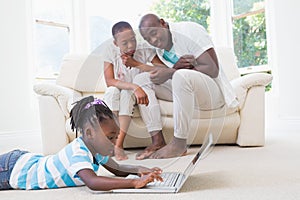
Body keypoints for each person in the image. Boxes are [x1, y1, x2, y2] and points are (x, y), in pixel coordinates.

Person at [132, 14, 238, 159]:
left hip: (211, 94)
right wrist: (171, 71)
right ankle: (158, 141)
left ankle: (179, 143)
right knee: (141, 79)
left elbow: (212, 68)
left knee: (180, 75)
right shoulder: (160, 51)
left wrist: (171, 72)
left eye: (154, 33)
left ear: (163, 23)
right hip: (186, 94)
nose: (153, 40)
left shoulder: (189, 30)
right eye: (148, 39)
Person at [0, 96, 162, 191]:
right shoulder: (78, 152)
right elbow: (93, 182)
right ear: (90, 133)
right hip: (13, 170)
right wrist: (134, 183)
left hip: (25, 160)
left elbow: (118, 169)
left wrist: (139, 170)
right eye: (110, 137)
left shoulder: (95, 148)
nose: (114, 143)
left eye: (116, 137)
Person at [102, 21, 166, 160]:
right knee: (112, 92)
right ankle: (109, 142)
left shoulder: (144, 48)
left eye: (133, 40)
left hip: (134, 92)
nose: (131, 46)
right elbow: (109, 81)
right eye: (125, 43)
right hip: (124, 88)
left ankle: (118, 145)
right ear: (115, 43)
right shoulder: (109, 50)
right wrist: (134, 87)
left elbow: (163, 70)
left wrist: (137, 64)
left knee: (126, 94)